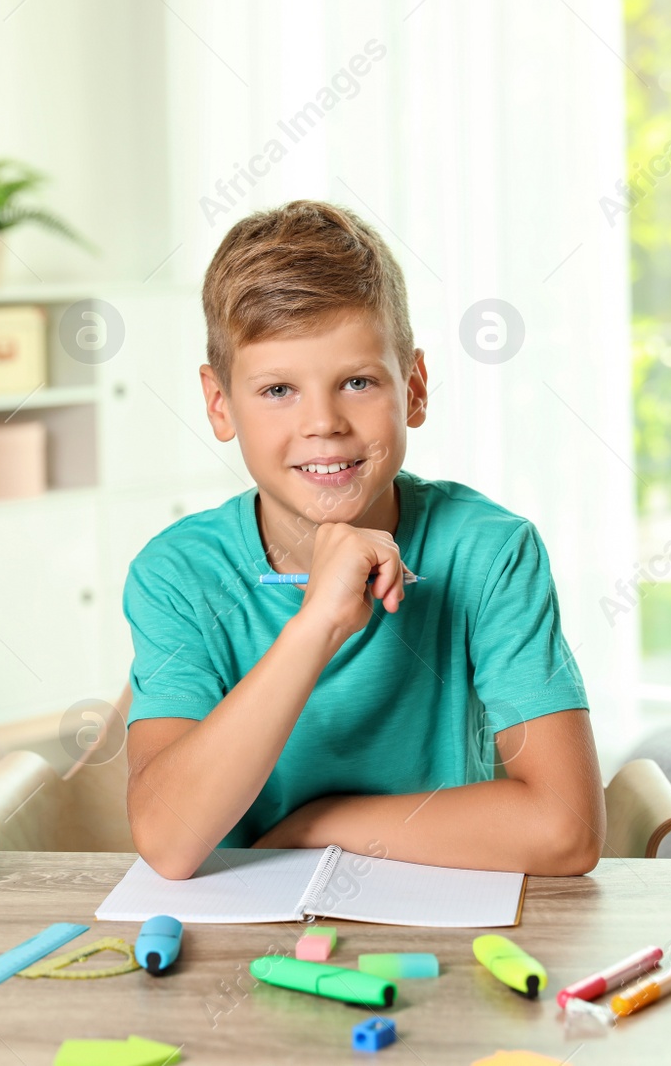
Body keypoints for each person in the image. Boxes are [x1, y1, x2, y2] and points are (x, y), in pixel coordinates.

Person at [123, 200, 603, 880]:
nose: (323, 422)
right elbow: (169, 841)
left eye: (357, 381)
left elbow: (568, 829)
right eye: (279, 388)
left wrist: (316, 827)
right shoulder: (175, 573)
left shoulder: (493, 553)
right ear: (219, 404)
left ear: (413, 387)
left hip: (448, 930)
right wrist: (317, 622)